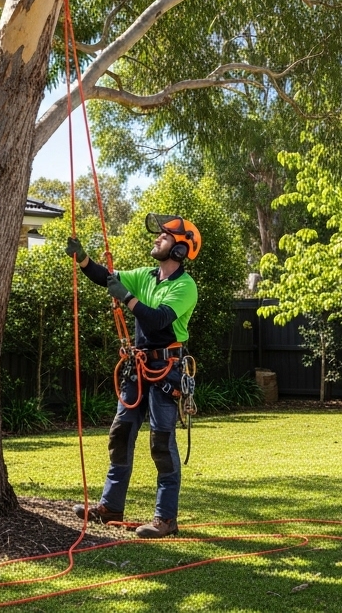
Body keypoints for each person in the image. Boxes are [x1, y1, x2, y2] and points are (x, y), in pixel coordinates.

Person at [64, 213, 201, 539]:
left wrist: (126, 297)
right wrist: (83, 259)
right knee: (121, 434)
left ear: (181, 250)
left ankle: (166, 519)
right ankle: (111, 506)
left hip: (166, 371)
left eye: (164, 237)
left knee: (161, 442)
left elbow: (157, 320)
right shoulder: (146, 276)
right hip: (137, 369)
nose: (157, 240)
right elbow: (106, 276)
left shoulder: (185, 286)